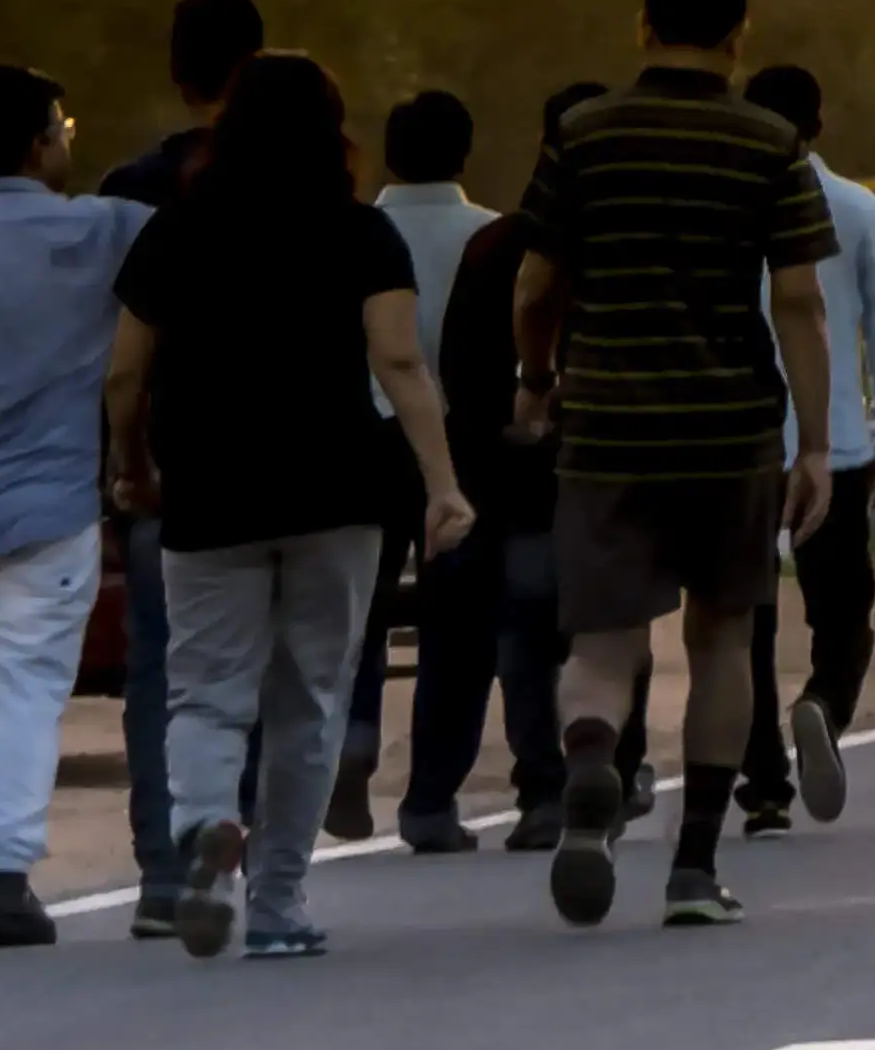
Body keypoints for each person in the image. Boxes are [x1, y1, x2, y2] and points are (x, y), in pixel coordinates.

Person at [107, 52, 468, 959]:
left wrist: (133, 466)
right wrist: (442, 481)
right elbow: (398, 362)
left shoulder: (173, 233)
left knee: (206, 691)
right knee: (310, 695)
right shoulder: (360, 235)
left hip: (210, 492)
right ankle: (277, 904)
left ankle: (201, 830)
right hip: (338, 490)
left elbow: (123, 373)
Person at [512, 0, 834, 929]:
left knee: (605, 639)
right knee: (722, 634)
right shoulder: (771, 142)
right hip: (729, 428)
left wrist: (539, 379)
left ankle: (589, 760)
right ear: (741, 34)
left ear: (643, 24)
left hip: (608, 421)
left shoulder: (583, 134)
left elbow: (536, 286)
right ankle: (695, 865)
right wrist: (814, 443)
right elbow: (801, 302)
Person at [0, 61, 149, 946]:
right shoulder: (107, 233)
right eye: (61, 126)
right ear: (39, 143)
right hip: (50, 506)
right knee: (25, 688)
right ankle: (1, 870)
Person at [100, 0, 264, 934]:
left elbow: (117, 351)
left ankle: (166, 868)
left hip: (167, 459)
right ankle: (244, 845)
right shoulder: (306, 180)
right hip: (282, 461)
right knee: (273, 669)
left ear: (176, 69)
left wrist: (121, 461)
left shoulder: (129, 192)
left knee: (164, 671)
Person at [410, 84, 603, 852]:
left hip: (490, 472)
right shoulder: (607, 244)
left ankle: (430, 797)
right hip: (577, 474)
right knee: (566, 634)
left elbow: (454, 363)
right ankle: (556, 782)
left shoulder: (492, 244)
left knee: (461, 642)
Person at [730, 64, 875, 836]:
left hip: (738, 444)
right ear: (818, 126)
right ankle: (823, 703)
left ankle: (763, 782)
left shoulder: (724, 202)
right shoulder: (854, 208)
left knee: (743, 619)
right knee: (843, 612)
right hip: (830, 447)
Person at [326, 87, 489, 850]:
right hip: (459, 446)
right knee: (457, 627)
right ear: (464, 154)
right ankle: (429, 798)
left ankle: (352, 732)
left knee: (356, 605)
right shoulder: (490, 236)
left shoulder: (350, 231)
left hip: (357, 439)